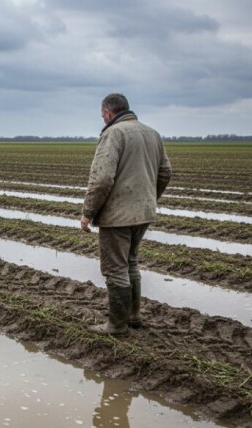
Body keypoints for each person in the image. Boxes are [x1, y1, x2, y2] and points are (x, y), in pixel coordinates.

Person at [80, 93, 171, 335]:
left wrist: (88, 212)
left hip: (118, 215)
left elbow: (102, 179)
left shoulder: (113, 133)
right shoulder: (152, 133)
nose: (103, 119)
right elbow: (165, 172)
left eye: (103, 116)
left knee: (115, 268)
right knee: (130, 262)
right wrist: (148, 199)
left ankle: (117, 325)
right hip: (144, 213)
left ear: (108, 113)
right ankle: (133, 315)